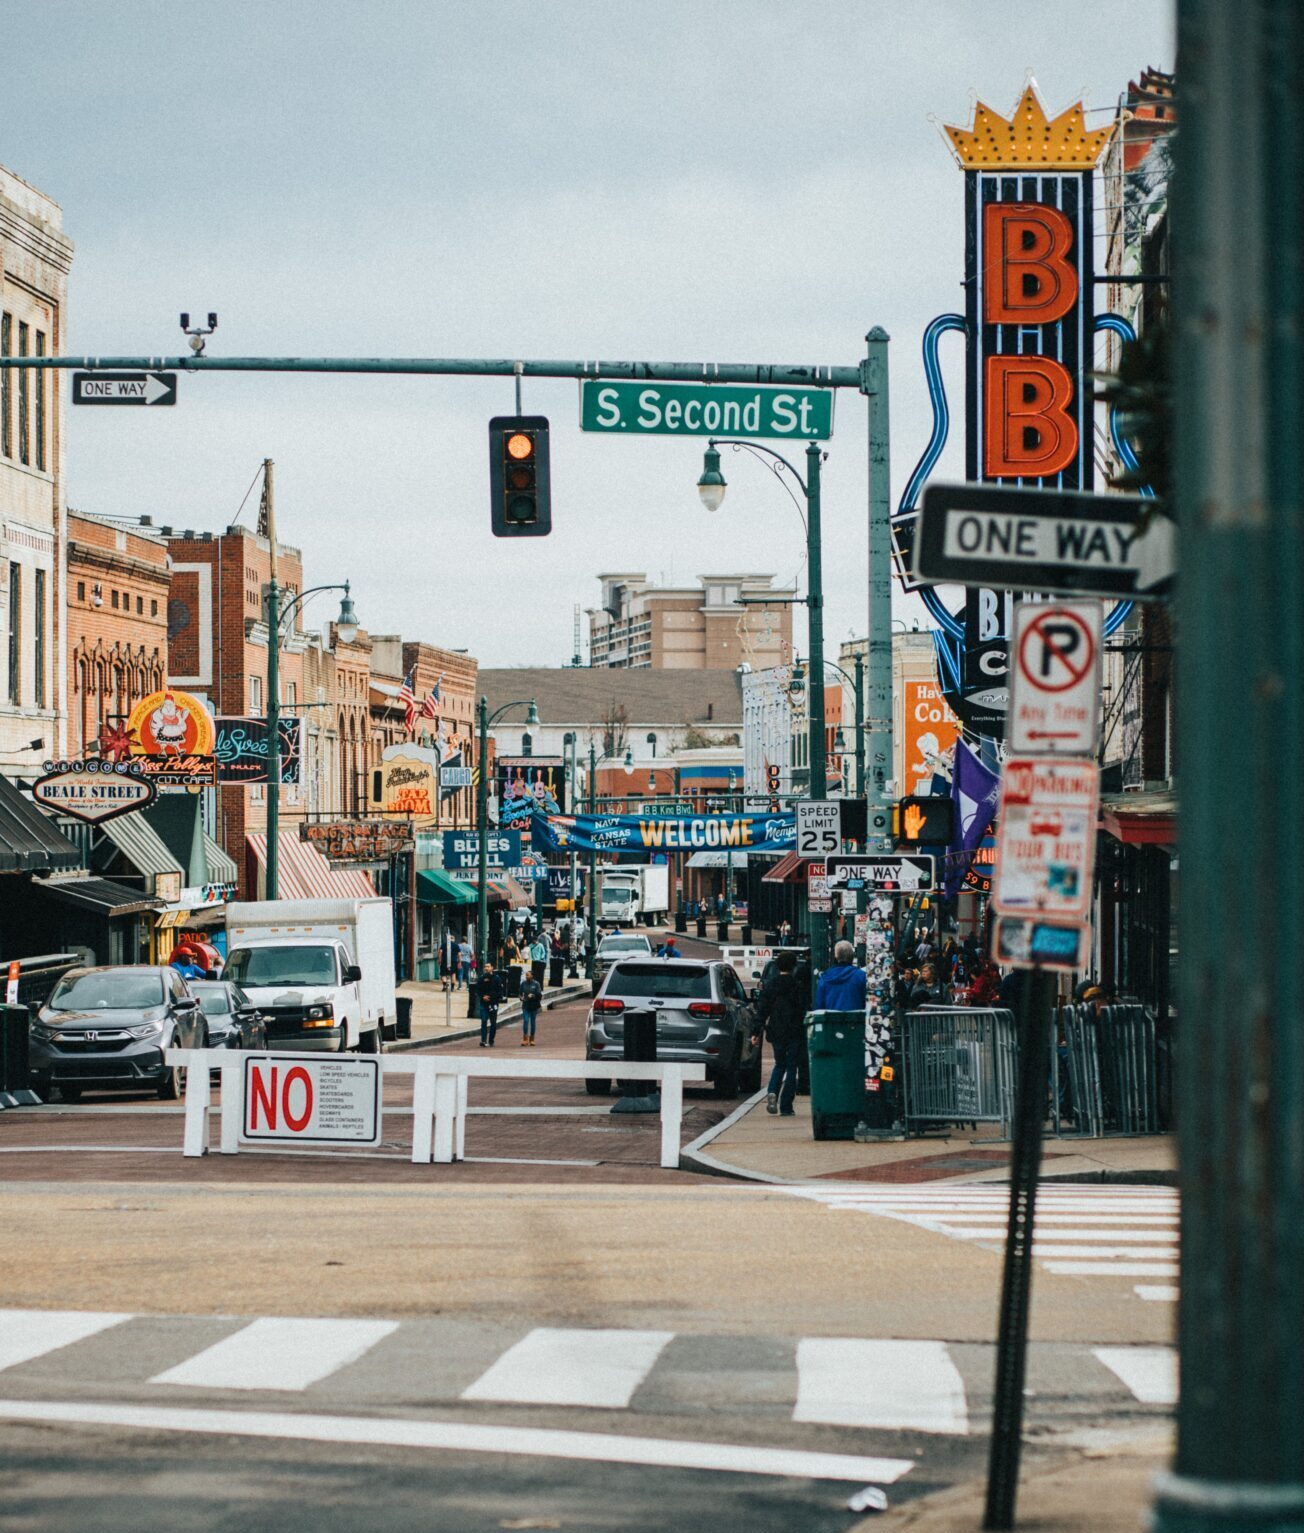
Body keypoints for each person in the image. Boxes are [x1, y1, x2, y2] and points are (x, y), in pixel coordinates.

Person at [751, 950, 804, 1117]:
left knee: (779, 1063)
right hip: (794, 1030)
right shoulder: (797, 986)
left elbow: (762, 1010)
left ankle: (772, 1090)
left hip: (776, 1030)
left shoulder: (771, 985)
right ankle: (786, 1105)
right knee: (791, 1067)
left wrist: (756, 1031)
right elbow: (803, 1009)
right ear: (794, 966)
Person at [814, 940, 868, 1010]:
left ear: (836, 956)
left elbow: (819, 1005)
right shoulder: (861, 976)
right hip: (855, 1019)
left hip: (831, 1019)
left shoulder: (825, 977)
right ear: (852, 956)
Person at [478, 962, 505, 1047]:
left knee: (493, 1023)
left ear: (492, 968)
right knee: (484, 1021)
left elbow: (500, 991)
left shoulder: (497, 978)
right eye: (485, 966)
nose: (486, 968)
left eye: (488, 967)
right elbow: (478, 990)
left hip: (493, 1003)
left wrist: (492, 997)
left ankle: (491, 1040)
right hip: (484, 1003)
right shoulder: (481, 978)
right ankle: (483, 1040)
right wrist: (483, 997)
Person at [519, 972, 543, 1046]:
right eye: (526, 975)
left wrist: (533, 995)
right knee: (526, 1020)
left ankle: (532, 1039)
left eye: (528, 975)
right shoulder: (523, 983)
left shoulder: (536, 984)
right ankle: (525, 1039)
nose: (526, 976)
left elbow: (539, 994)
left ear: (532, 976)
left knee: (532, 1022)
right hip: (526, 1005)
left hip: (533, 1005)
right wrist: (521, 997)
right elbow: (520, 993)